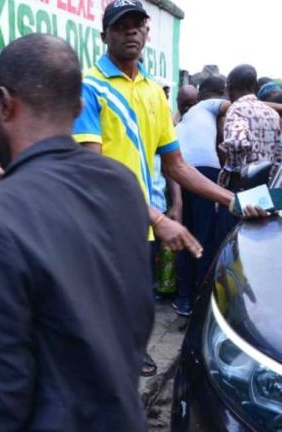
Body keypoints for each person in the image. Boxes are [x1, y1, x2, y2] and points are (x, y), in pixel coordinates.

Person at [0, 33, 153, 432]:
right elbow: (137, 317)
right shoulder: (123, 185)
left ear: (4, 104)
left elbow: (2, 401)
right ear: (78, 108)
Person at [72, 0, 269, 376]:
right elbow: (94, 170)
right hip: (100, 222)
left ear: (146, 32)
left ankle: (127, 362)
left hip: (140, 223)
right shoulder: (89, 87)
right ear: (104, 36)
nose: (130, 31)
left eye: (137, 24)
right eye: (120, 26)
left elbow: (176, 165)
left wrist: (233, 200)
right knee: (100, 308)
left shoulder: (153, 92)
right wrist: (158, 217)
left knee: (136, 302)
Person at [173, 77, 230, 316]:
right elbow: (240, 104)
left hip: (179, 175)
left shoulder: (179, 124)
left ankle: (184, 298)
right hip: (203, 174)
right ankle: (200, 299)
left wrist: (176, 202)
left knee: (185, 238)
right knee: (204, 238)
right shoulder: (207, 106)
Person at [215, 65, 282, 239]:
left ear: (229, 88)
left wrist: (232, 165)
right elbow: (278, 154)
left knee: (229, 239)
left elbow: (236, 142)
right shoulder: (273, 113)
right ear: (256, 86)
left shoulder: (236, 109)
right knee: (258, 239)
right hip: (267, 189)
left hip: (241, 187)